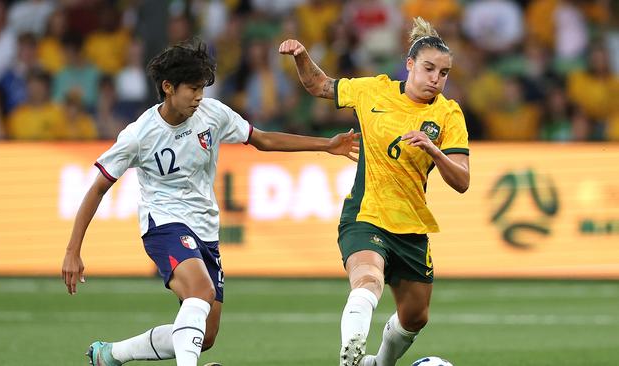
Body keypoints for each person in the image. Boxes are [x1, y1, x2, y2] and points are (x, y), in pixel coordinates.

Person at [61, 39, 360, 366]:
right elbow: (97, 189)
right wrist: (73, 250)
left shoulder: (212, 114)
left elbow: (262, 139)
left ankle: (111, 354)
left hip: (205, 228)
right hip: (164, 224)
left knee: (203, 336)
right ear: (168, 88)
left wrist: (327, 144)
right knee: (200, 292)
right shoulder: (139, 134)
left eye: (203, 88)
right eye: (193, 88)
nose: (200, 96)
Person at [279, 16, 470, 366]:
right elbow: (320, 85)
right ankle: (352, 345)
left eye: (443, 74)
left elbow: (462, 181)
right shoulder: (373, 90)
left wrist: (433, 150)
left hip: (411, 225)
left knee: (415, 317)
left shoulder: (448, 114)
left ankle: (377, 363)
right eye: (429, 69)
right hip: (366, 214)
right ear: (409, 65)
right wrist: (302, 56)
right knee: (368, 279)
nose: (436, 79)